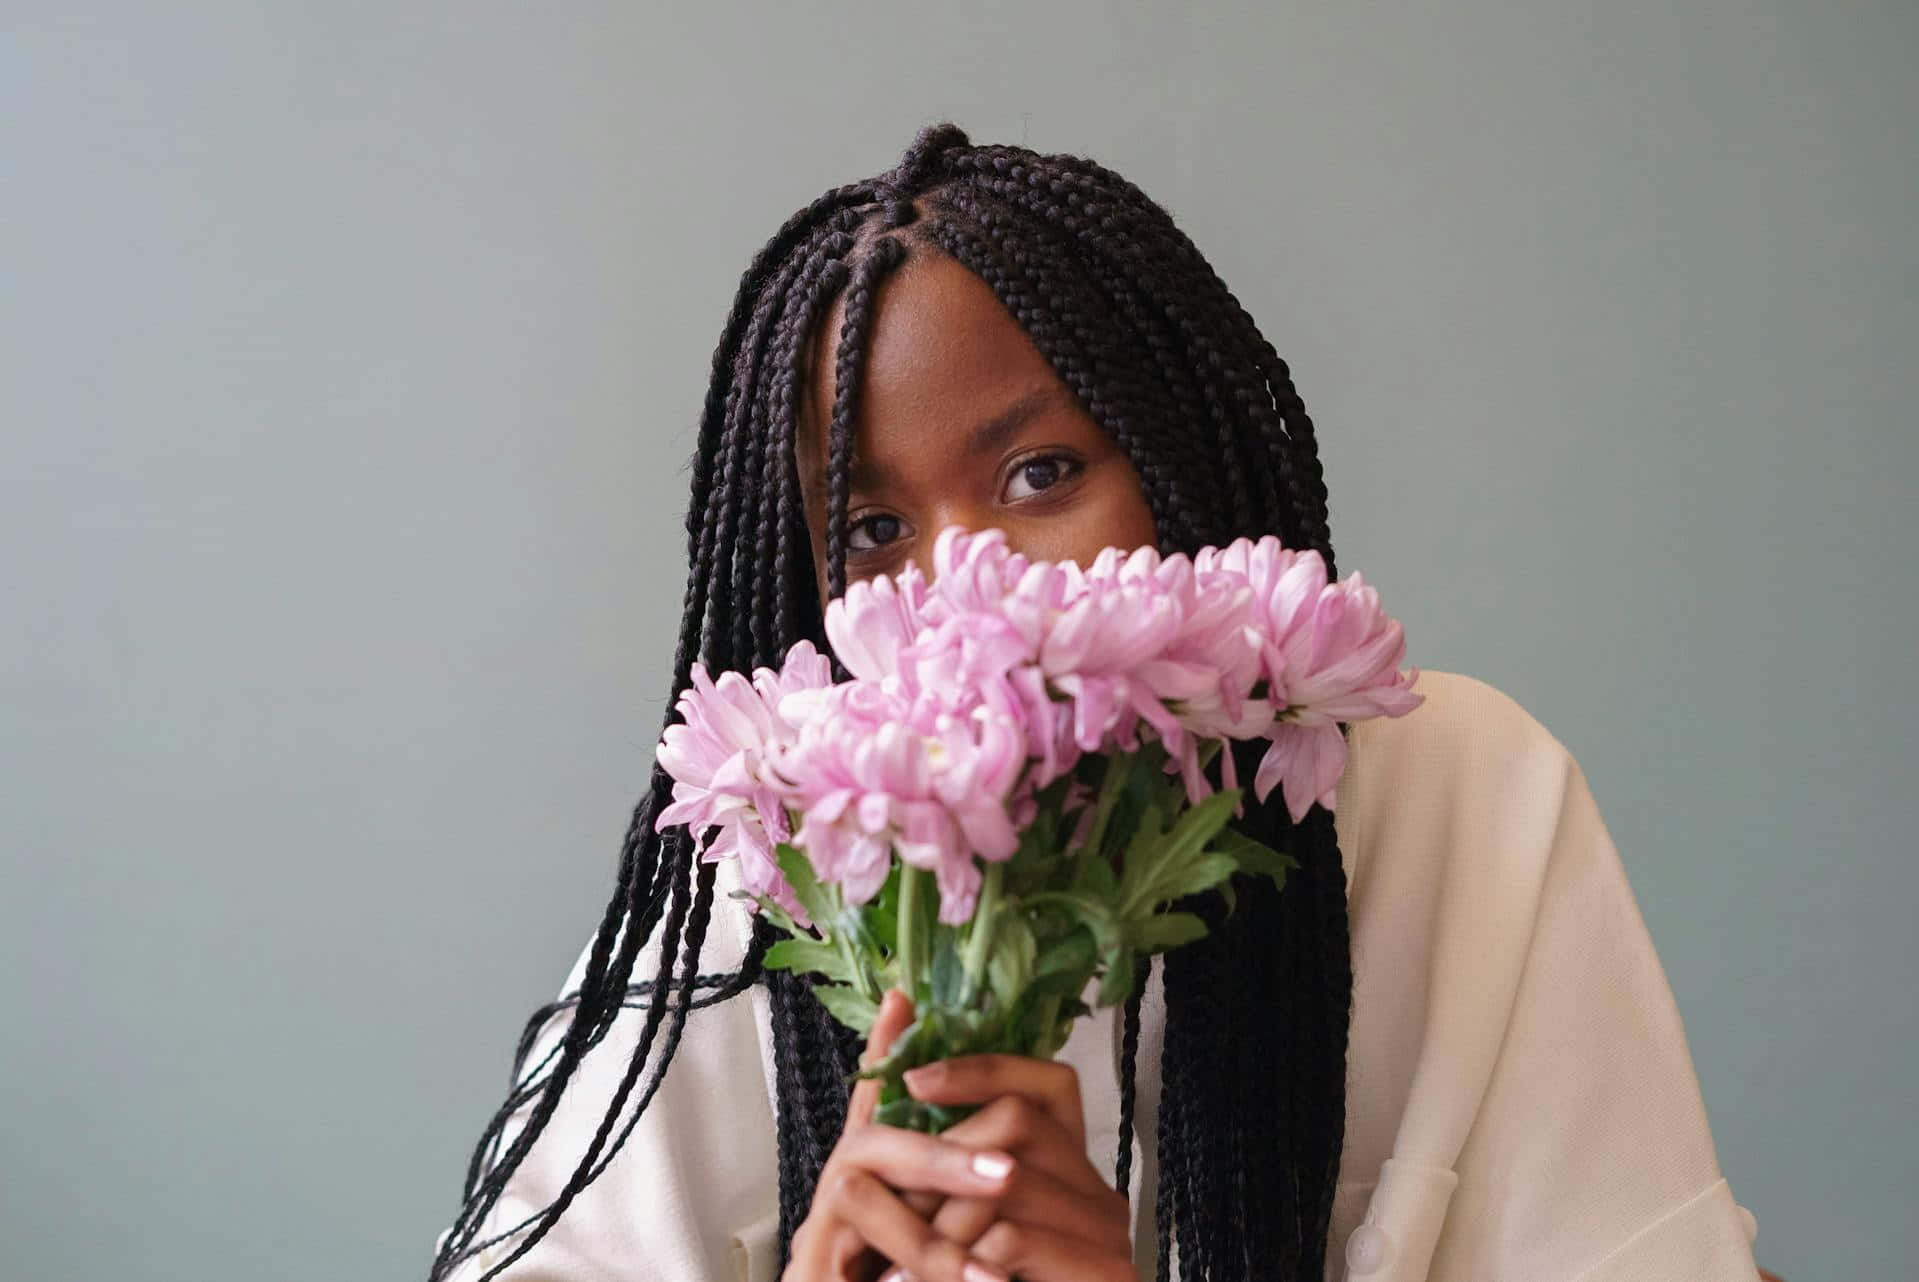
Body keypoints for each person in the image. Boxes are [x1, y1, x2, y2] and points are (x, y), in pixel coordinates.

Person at [427, 123, 1765, 1282]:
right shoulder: (768, 865)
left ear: (1183, 460)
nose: (966, 579)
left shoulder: (1469, 800)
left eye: (1039, 472)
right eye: (876, 522)